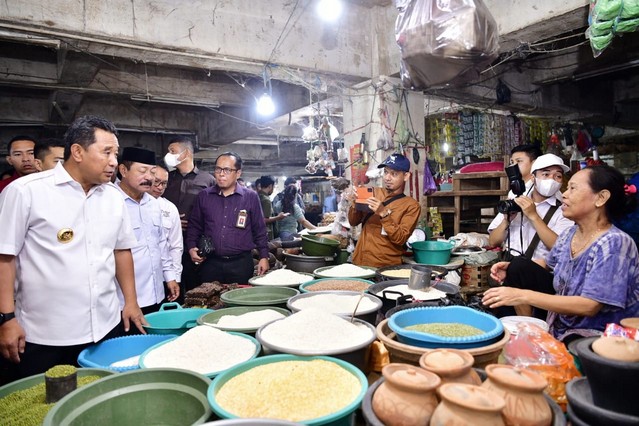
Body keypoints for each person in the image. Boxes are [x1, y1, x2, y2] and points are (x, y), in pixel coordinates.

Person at [0, 116, 146, 382]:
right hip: (44, 333)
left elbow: (121, 251)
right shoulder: (26, 192)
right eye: (106, 152)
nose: (114, 161)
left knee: (102, 396)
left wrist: (131, 301)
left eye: (115, 153)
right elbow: (5, 258)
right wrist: (6, 318)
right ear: (78, 151)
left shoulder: (113, 197)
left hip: (105, 325)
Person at [483, 164, 639, 343]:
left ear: (601, 198)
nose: (564, 194)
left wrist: (520, 294)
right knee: (518, 266)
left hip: (598, 336)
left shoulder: (614, 243)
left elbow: (590, 306)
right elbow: (549, 263)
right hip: (563, 324)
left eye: (573, 188)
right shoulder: (570, 234)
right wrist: (510, 268)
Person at [186, 152, 269, 284]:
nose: (221, 174)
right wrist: (191, 247)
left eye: (227, 170)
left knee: (240, 300)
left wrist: (264, 256)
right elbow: (194, 226)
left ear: (238, 173)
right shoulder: (204, 196)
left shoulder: (250, 197)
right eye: (218, 169)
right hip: (210, 263)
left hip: (241, 264)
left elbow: (259, 229)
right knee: (210, 301)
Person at [116, 147, 179, 316]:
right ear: (123, 170)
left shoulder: (153, 204)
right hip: (122, 300)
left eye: (152, 172)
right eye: (142, 171)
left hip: (156, 293)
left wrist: (170, 276)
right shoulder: (110, 201)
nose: (149, 178)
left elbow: (161, 244)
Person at [488, 154, 574, 262]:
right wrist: (506, 221)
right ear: (533, 178)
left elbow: (558, 247)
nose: (552, 179)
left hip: (539, 271)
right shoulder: (517, 200)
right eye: (546, 174)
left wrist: (534, 216)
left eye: (558, 176)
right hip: (508, 265)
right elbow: (492, 242)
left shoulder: (563, 209)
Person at [348, 153, 421, 267]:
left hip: (385, 266)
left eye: (394, 174)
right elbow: (353, 222)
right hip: (360, 262)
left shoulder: (411, 206)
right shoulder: (373, 193)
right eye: (386, 172)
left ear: (406, 176)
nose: (387, 178)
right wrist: (354, 203)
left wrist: (384, 214)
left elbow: (400, 239)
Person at [162, 137, 215, 293]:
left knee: (196, 286)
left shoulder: (207, 180)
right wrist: (171, 219)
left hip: (196, 243)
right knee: (172, 285)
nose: (168, 155)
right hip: (168, 242)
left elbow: (213, 210)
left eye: (172, 151)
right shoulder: (167, 179)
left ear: (186, 153)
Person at [150, 165, 184, 292]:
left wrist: (175, 278)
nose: (159, 187)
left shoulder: (169, 208)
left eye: (164, 184)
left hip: (165, 276)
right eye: (156, 182)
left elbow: (175, 246)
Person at [258, 175, 287, 240]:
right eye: (273, 187)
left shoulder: (257, 196)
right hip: (265, 234)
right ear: (270, 186)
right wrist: (278, 217)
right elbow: (264, 220)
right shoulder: (266, 200)